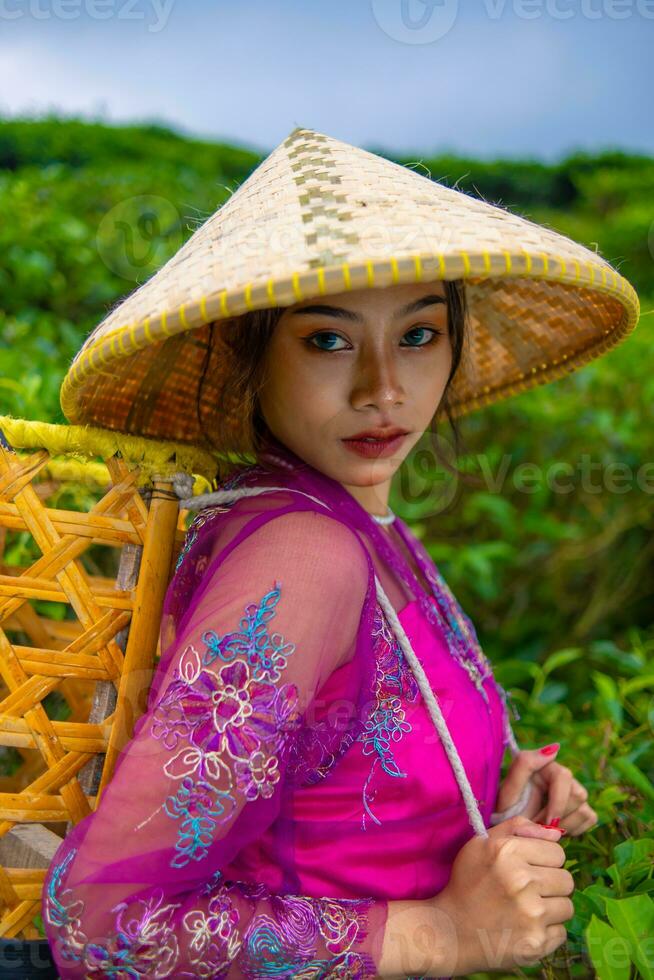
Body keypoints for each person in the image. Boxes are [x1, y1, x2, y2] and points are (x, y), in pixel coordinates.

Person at [42, 127, 638, 978]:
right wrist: (443, 933)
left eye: (419, 335)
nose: (382, 388)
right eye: (327, 340)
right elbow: (103, 924)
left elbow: (356, 784)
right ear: (251, 353)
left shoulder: (369, 526)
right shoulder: (304, 555)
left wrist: (504, 794)